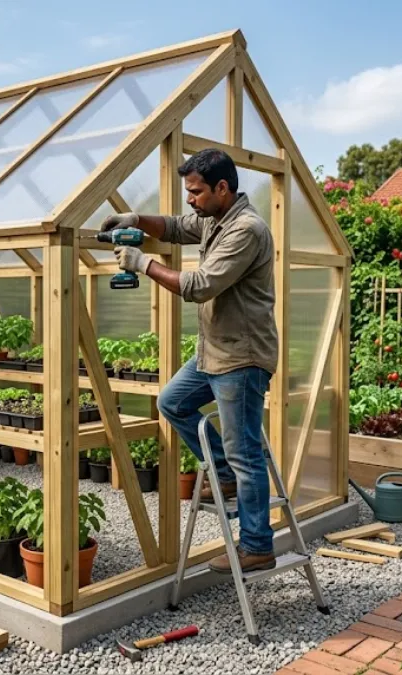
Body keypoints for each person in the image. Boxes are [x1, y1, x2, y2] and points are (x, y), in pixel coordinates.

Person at [99, 148, 278, 573]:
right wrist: (135, 221)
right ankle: (223, 470)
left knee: (247, 453)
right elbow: (178, 227)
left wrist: (143, 263)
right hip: (213, 352)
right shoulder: (216, 218)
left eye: (196, 192)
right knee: (172, 402)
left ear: (222, 188)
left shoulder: (246, 229)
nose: (190, 200)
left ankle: (257, 544)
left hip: (242, 357)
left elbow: (199, 285)